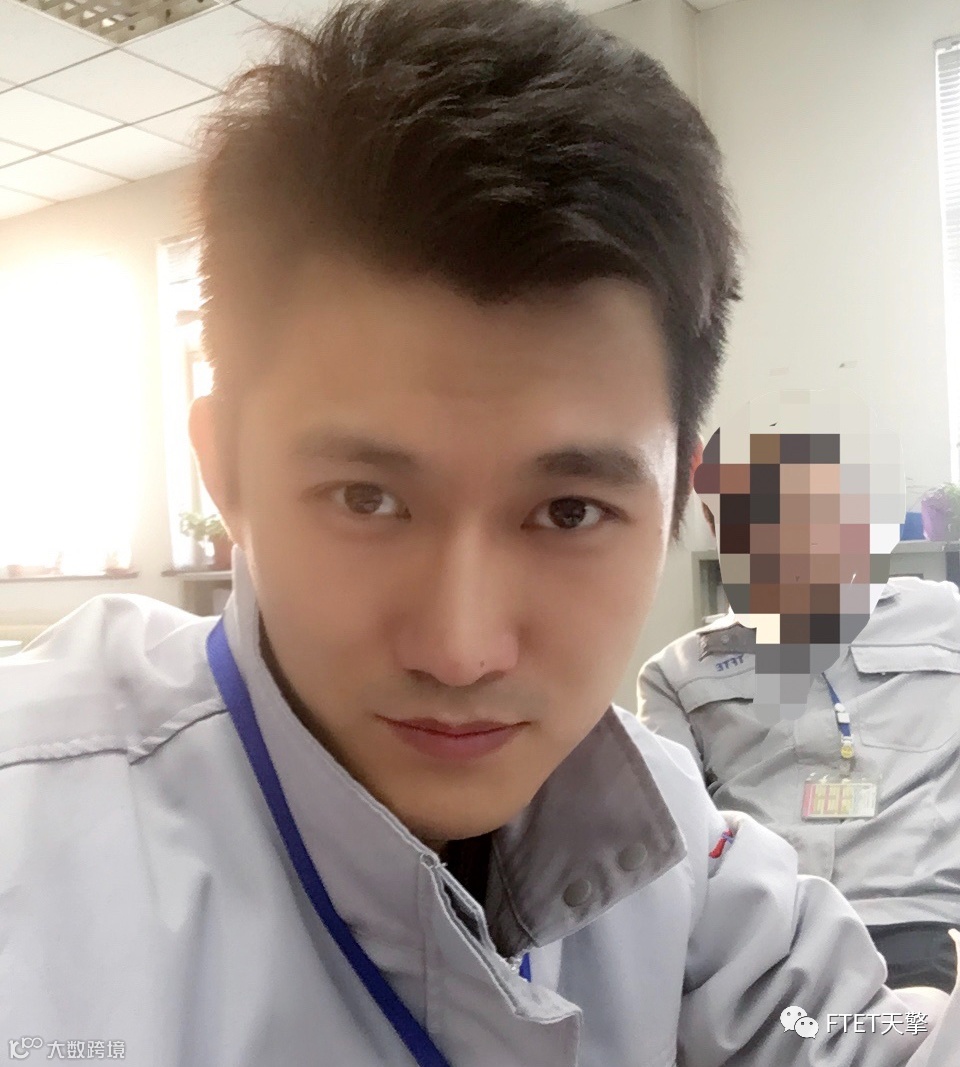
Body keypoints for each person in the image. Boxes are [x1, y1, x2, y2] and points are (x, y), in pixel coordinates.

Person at [1, 3, 958, 1065]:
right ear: (225, 469)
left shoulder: (666, 838)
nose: (460, 651)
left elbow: (855, 1035)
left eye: (569, 511)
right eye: (365, 497)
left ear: (677, 500)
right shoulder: (32, 854)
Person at [639, 390, 960, 994]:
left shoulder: (943, 618)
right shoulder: (678, 672)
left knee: (914, 1028)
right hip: (767, 943)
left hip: (920, 927)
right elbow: (668, 838)